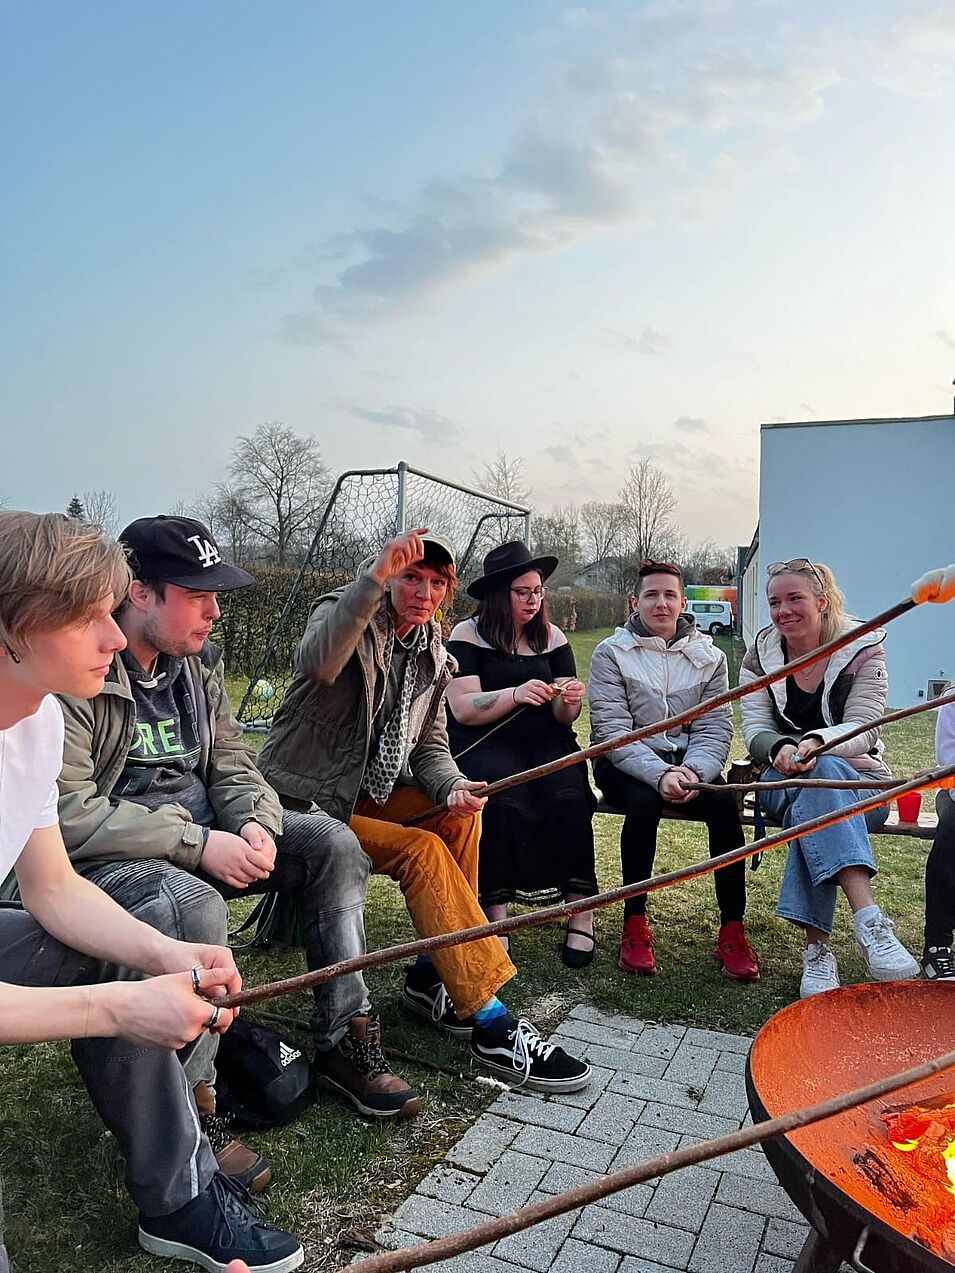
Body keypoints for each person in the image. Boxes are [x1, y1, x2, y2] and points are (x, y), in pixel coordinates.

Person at [0, 510, 302, 1273]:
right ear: (12, 624)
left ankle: (178, 1201)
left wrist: (168, 953)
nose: (113, 637)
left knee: (133, 956)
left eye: (111, 611)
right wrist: (113, 1007)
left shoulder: (34, 722)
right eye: (87, 616)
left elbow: (53, 886)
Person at [54, 515, 419, 1124]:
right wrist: (198, 844)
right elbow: (70, 813)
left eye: (216, 595)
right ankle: (196, 1106)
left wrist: (254, 821)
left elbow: (231, 760)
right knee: (196, 905)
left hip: (205, 835)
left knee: (334, 845)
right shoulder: (79, 670)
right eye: (196, 595)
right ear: (139, 592)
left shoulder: (196, 665)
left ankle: (345, 1037)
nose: (215, 611)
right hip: (115, 857)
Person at [259, 529, 592, 1092]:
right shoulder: (344, 615)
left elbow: (431, 747)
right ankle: (490, 1020)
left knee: (461, 815)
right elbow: (317, 664)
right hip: (307, 799)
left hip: (368, 793)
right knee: (422, 850)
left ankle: (431, 974)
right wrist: (371, 580)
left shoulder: (433, 653)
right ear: (388, 577)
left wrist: (453, 785)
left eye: (437, 583)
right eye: (411, 577)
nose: (423, 592)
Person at [739, 557, 918, 997]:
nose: (783, 611)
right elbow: (755, 729)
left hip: (860, 783)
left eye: (794, 598)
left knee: (819, 790)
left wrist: (817, 743)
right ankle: (869, 921)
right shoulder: (760, 655)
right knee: (813, 794)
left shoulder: (864, 647)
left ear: (822, 602)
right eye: (774, 602)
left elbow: (866, 727)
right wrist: (779, 749)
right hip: (781, 780)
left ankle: (817, 952)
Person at [589, 560, 759, 980]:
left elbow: (715, 728)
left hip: (688, 765)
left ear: (683, 603)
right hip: (623, 763)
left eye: (669, 595)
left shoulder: (710, 658)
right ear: (635, 603)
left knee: (724, 806)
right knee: (644, 803)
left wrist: (693, 772)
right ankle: (634, 922)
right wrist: (658, 775)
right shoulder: (611, 653)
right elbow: (613, 732)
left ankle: (732, 928)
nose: (661, 603)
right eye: (651, 595)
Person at [445, 541, 598, 968]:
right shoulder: (467, 635)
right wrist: (514, 694)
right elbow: (463, 707)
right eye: (522, 592)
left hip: (548, 742)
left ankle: (581, 911)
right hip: (486, 742)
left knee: (570, 796)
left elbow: (565, 717)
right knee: (501, 800)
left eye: (538, 591)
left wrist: (569, 700)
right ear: (499, 594)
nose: (533, 600)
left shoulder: (553, 637)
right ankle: (496, 915)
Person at [922, 697, 955, 979]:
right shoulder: (952, 702)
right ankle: (937, 944)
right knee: (952, 831)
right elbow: (950, 765)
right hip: (953, 794)